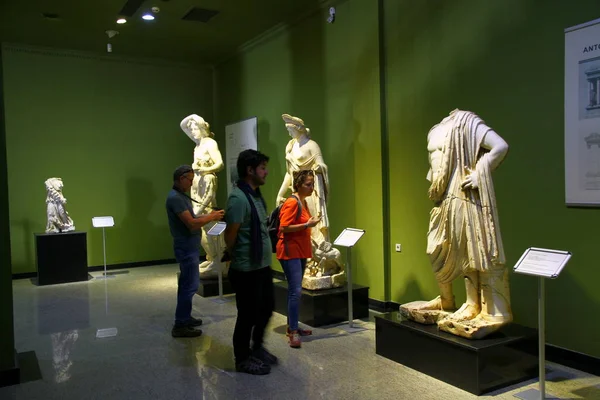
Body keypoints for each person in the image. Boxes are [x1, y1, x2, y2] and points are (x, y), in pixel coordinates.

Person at [415, 109, 511, 338]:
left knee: (469, 250)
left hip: (463, 191)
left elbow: (501, 146)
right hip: (442, 195)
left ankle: (473, 305)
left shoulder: (466, 123)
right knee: (435, 248)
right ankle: (448, 301)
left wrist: (480, 173)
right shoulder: (434, 130)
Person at [224, 149, 277, 375]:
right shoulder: (238, 198)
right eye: (262, 168)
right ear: (250, 170)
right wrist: (237, 256)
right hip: (246, 269)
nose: (266, 172)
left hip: (262, 266)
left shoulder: (255, 195)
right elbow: (230, 236)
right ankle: (242, 357)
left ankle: (257, 347)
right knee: (247, 315)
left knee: (266, 308)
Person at [166, 165, 224, 338]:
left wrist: (209, 215)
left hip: (189, 246)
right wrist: (212, 217)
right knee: (188, 285)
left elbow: (193, 218)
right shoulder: (175, 198)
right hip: (185, 247)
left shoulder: (180, 196)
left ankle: (185, 317)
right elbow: (191, 223)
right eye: (190, 180)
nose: (191, 184)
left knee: (189, 284)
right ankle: (181, 324)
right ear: (181, 178)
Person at [179, 114, 227, 279]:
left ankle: (219, 261)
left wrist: (204, 170)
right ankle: (212, 257)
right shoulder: (197, 146)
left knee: (207, 224)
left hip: (206, 181)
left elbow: (219, 164)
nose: (192, 132)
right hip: (196, 184)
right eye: (191, 130)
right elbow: (183, 126)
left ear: (201, 128)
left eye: (194, 128)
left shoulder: (209, 143)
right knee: (199, 226)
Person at [277, 170, 320, 348]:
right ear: (298, 185)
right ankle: (293, 331)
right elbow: (284, 227)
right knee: (296, 291)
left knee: (295, 291)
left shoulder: (302, 202)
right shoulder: (292, 202)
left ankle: (292, 326)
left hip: (299, 251)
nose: (311, 188)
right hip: (290, 251)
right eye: (308, 184)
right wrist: (306, 224)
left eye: (312, 184)